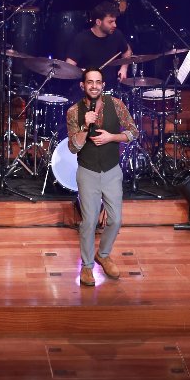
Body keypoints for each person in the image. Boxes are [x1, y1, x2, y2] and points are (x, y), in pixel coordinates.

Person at [65, 69, 139, 287]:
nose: (94, 86)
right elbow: (73, 147)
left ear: (103, 85)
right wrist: (85, 126)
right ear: (83, 86)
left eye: (98, 82)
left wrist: (112, 137)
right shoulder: (73, 112)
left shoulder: (116, 104)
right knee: (89, 221)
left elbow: (134, 131)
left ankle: (103, 254)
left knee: (116, 220)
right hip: (87, 171)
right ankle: (87, 267)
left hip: (111, 171)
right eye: (90, 82)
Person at [62, 1, 132, 88]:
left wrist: (124, 68)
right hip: (88, 88)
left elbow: (127, 51)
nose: (115, 25)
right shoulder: (81, 39)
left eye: (115, 21)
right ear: (98, 22)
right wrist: (82, 72)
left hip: (110, 86)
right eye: (110, 22)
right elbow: (69, 67)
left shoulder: (116, 34)